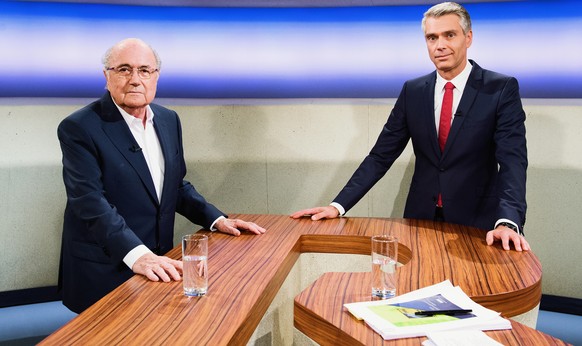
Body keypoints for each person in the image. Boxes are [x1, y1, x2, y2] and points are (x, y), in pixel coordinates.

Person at [291, 2, 530, 252]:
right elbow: (380, 156)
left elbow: (513, 160)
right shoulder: (413, 91)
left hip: (477, 222)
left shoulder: (500, 89)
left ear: (468, 38)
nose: (440, 45)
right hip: (420, 219)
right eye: (432, 37)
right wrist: (337, 206)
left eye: (450, 35)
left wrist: (508, 222)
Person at [57, 38, 266, 313]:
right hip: (105, 269)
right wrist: (140, 256)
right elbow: (89, 202)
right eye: (123, 69)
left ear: (156, 77)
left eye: (144, 70)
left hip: (159, 265)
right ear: (106, 76)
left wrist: (216, 219)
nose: (135, 79)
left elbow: (175, 186)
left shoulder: (168, 120)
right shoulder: (79, 127)